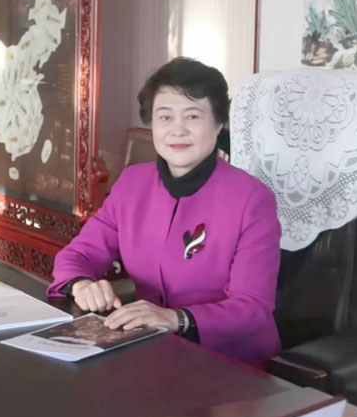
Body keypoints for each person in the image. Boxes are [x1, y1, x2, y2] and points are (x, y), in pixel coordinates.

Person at [48, 57, 281, 367]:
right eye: (165, 117)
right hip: (149, 350)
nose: (177, 130)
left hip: (228, 361)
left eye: (193, 116)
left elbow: (252, 307)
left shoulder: (252, 199)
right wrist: (82, 285)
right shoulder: (132, 183)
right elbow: (78, 255)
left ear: (219, 123)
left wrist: (175, 319)